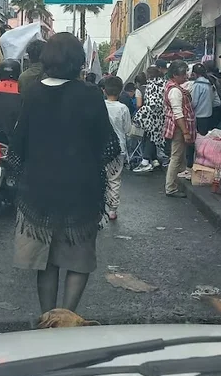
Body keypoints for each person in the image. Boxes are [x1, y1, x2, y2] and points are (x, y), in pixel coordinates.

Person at [10, 32, 119, 313]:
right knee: (78, 257)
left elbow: (18, 144)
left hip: (38, 191)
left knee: (45, 260)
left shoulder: (33, 92)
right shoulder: (90, 94)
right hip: (81, 190)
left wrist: (28, 176)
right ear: (78, 62)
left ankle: (47, 317)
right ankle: (67, 316)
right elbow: (108, 145)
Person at [164, 61, 196, 197]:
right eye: (183, 75)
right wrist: (185, 132)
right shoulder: (175, 91)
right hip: (178, 127)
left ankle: (174, 183)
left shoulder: (173, 87)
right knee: (176, 157)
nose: (185, 77)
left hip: (177, 126)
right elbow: (178, 114)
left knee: (178, 156)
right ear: (175, 75)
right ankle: (170, 187)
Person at [103, 76, 131, 221]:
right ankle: (112, 210)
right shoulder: (123, 108)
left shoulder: (100, 106)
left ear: (104, 90)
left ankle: (98, 208)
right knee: (114, 179)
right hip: (119, 148)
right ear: (120, 91)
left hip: (101, 147)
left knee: (100, 178)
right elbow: (127, 129)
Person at [183, 63, 220, 168]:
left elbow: (193, 103)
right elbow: (217, 102)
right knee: (204, 143)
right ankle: (203, 164)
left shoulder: (197, 85)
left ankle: (190, 166)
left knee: (192, 143)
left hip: (197, 118)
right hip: (208, 117)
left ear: (194, 74)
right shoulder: (210, 84)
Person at [132, 66, 167, 173]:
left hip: (153, 117)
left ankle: (146, 161)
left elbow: (152, 103)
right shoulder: (164, 84)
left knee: (150, 137)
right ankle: (149, 160)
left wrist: (142, 114)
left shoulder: (152, 86)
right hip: (161, 116)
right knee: (152, 138)